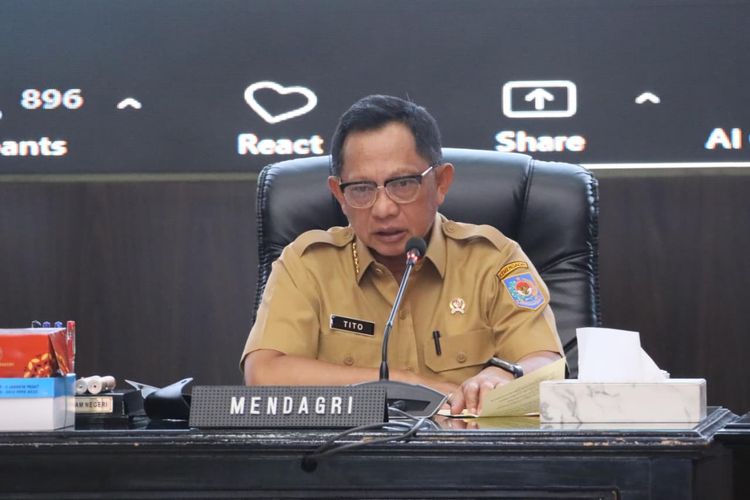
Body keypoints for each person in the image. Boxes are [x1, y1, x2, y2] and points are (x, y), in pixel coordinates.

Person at [241, 95, 562, 415]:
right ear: (339, 195)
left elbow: (546, 364)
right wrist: (404, 385)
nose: (383, 209)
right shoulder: (307, 265)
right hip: (347, 447)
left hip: (463, 446)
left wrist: (504, 375)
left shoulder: (494, 261)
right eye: (361, 189)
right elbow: (264, 374)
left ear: (441, 183)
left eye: (403, 184)